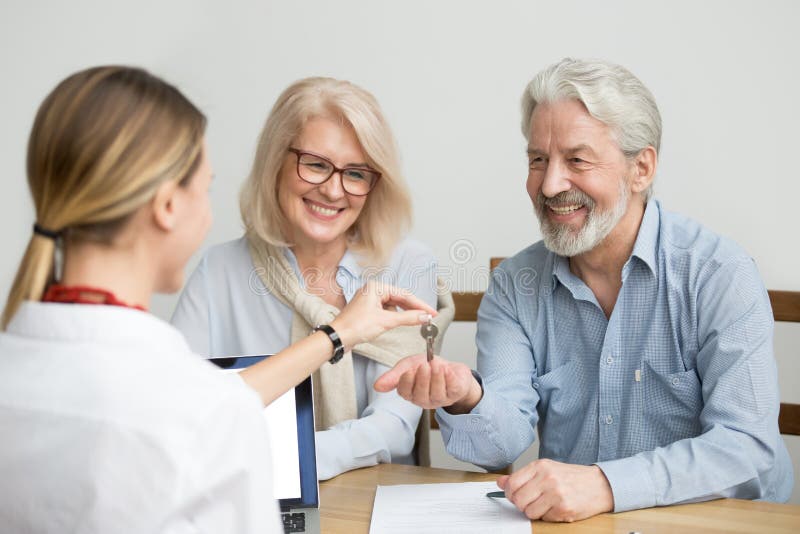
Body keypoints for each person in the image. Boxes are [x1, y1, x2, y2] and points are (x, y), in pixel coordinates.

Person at [0, 66, 435, 533]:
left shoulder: (184, 400)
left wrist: (334, 338)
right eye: (205, 189)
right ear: (168, 206)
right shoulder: (204, 409)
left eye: (355, 173)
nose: (333, 188)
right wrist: (337, 335)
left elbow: (209, 404)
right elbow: (210, 410)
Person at [376, 57, 793, 522]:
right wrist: (465, 397)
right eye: (538, 160)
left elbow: (746, 447)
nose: (550, 184)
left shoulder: (719, 274)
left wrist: (607, 484)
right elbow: (503, 442)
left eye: (577, 159)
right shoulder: (515, 284)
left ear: (642, 169)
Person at [172, 76, 453, 481]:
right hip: (253, 499)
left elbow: (393, 428)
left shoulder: (409, 265)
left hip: (372, 501)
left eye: (356, 173)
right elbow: (182, 412)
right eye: (316, 165)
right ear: (276, 163)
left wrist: (287, 457)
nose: (334, 191)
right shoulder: (219, 271)